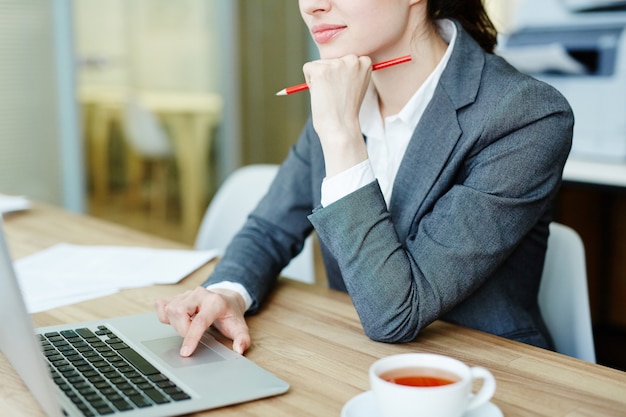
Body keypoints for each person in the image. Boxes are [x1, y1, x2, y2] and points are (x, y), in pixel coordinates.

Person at [155, 0, 573, 358]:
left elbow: (397, 313)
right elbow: (269, 228)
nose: (312, 5)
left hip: (491, 374)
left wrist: (341, 135)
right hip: (361, 357)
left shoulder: (526, 115)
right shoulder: (342, 94)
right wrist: (228, 292)